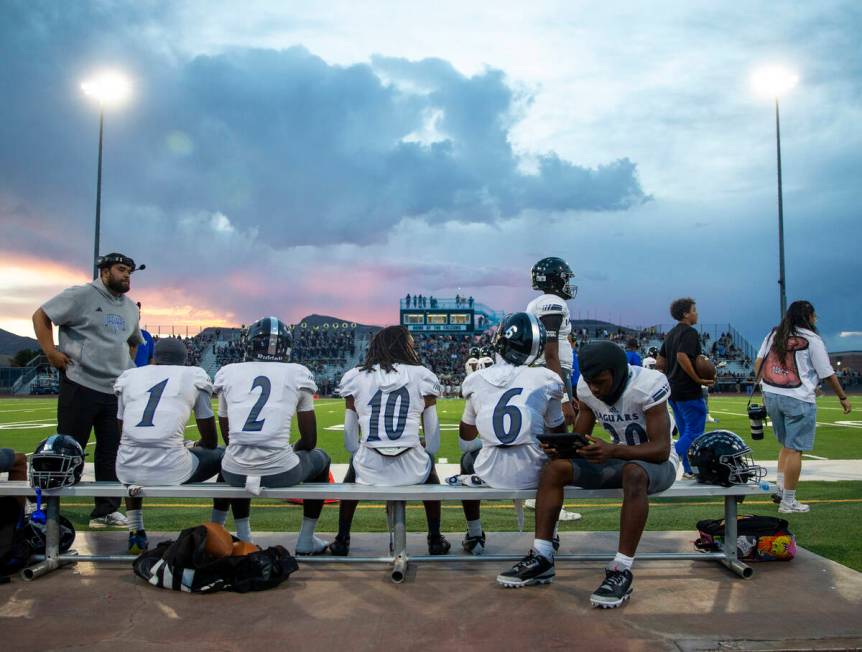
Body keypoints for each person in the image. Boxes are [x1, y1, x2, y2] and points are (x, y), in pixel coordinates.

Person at [497, 341, 677, 609]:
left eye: (601, 382)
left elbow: (661, 449)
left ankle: (621, 569)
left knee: (634, 473)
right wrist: (562, 448)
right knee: (555, 468)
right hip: (620, 459)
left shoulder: (648, 384)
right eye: (590, 382)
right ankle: (543, 556)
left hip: (658, 465)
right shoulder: (587, 388)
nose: (594, 388)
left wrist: (614, 450)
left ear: (617, 373)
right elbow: (580, 437)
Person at [32, 252, 145, 527]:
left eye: (129, 271)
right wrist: (50, 352)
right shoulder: (81, 295)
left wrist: (126, 363)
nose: (126, 275)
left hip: (114, 390)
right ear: (104, 272)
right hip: (81, 383)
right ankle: (47, 511)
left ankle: (105, 510)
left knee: (111, 451)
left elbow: (134, 340)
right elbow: (41, 315)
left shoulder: (131, 307)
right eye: (121, 269)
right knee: (67, 449)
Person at [214, 316, 332, 553]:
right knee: (322, 458)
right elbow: (310, 441)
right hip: (281, 471)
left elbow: (228, 438)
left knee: (234, 460)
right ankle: (306, 539)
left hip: (234, 472)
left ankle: (244, 535)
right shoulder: (297, 373)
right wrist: (290, 449)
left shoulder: (228, 372)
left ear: (250, 344)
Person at [329, 326, 450, 556]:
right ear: (405, 346)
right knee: (429, 462)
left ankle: (342, 539)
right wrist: (419, 446)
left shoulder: (355, 377)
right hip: (412, 468)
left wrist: (366, 449)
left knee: (353, 463)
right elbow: (433, 440)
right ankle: (435, 538)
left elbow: (349, 439)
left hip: (369, 469)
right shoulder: (422, 375)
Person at [114, 337, 241, 553]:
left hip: (126, 468)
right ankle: (216, 528)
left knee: (133, 453)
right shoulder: (192, 376)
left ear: (154, 358)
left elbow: (122, 431)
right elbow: (209, 440)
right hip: (172, 469)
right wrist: (194, 445)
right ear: (185, 359)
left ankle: (136, 532)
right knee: (226, 457)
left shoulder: (130, 377)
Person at [457, 313, 568, 554]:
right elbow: (560, 435)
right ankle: (552, 533)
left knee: (467, 460)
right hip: (536, 473)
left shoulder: (475, 380)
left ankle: (475, 534)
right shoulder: (547, 378)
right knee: (559, 459)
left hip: (490, 471)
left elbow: (465, 438)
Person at [755, 300, 851, 513]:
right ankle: (788, 501)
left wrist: (763, 387)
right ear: (808, 316)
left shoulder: (774, 334)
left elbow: (759, 362)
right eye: (814, 315)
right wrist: (842, 397)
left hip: (772, 394)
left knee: (785, 446)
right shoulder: (811, 338)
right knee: (795, 449)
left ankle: (781, 492)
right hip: (798, 397)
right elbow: (827, 372)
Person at [656, 298, 713, 479]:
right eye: (694, 310)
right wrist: (697, 378)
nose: (697, 313)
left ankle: (689, 470)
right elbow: (681, 356)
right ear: (685, 314)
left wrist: (671, 375)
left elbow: (660, 362)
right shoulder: (690, 332)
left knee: (686, 432)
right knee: (695, 432)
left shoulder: (671, 334)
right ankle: (667, 458)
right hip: (688, 390)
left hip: (673, 390)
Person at [527, 257, 578, 426]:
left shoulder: (539, 303)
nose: (567, 283)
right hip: (552, 373)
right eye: (565, 278)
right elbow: (550, 353)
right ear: (554, 279)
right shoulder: (551, 302)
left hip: (548, 372)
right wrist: (563, 398)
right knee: (557, 433)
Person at [134, 302, 155, 367]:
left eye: (139, 312)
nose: (137, 315)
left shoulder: (146, 335)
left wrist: (148, 372)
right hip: (124, 375)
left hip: (142, 376)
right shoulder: (121, 334)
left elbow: (152, 357)